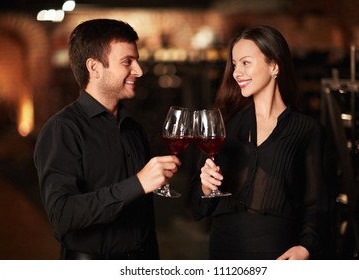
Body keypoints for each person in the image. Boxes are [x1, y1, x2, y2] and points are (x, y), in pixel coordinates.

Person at [33, 18, 181, 260]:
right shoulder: (63, 129)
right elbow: (62, 215)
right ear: (94, 67)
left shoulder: (133, 127)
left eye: (137, 61)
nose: (139, 71)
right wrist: (138, 183)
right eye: (127, 62)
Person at [190, 25, 328, 260]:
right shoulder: (223, 123)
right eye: (234, 64)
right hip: (223, 249)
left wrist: (305, 247)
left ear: (274, 65)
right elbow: (196, 208)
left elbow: (316, 204)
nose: (236, 72)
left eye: (245, 62)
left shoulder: (307, 129)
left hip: (277, 251)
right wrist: (205, 188)